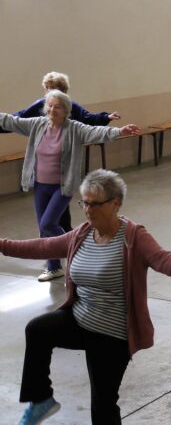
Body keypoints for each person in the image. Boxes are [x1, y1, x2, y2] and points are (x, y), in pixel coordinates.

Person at [0, 169, 171, 424]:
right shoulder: (82, 234)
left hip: (112, 335)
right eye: (85, 203)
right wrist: (2, 245)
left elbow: (163, 259)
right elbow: (43, 246)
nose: (88, 210)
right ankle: (41, 399)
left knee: (103, 405)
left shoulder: (133, 237)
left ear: (116, 203)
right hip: (79, 320)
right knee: (37, 330)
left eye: (95, 204)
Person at [0, 91, 139, 283]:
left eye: (57, 106)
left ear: (66, 110)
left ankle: (82, 252)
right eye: (50, 106)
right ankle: (54, 268)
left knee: (48, 224)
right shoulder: (37, 124)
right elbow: (11, 121)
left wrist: (119, 131)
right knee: (44, 229)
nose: (52, 110)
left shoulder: (74, 128)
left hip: (62, 186)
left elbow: (96, 132)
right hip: (40, 185)